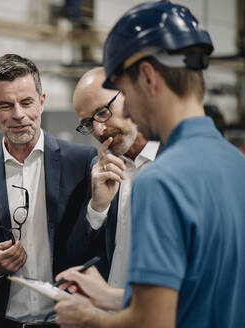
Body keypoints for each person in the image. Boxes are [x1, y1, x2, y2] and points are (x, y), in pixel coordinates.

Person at [54, 1, 245, 327]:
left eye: (123, 93)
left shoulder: (161, 181)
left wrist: (90, 317)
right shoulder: (237, 166)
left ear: (147, 78)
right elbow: (195, 289)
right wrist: (112, 296)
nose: (127, 111)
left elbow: (152, 321)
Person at [0, 54, 99, 327]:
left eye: (26, 102)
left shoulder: (82, 163)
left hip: (67, 322)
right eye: (6, 105)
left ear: (41, 101)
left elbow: (99, 245)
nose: (18, 114)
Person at [57, 66, 160, 311]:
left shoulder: (177, 162)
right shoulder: (98, 168)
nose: (99, 130)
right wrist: (97, 208)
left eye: (102, 113)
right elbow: (77, 258)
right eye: (87, 123)